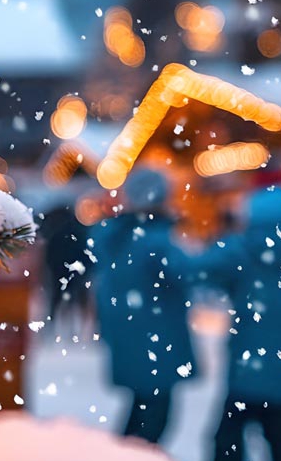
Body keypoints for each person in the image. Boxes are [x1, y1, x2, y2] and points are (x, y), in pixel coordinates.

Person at [191, 184, 281, 461]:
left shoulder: (245, 247)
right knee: (278, 435)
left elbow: (201, 269)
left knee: (227, 439)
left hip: (250, 363)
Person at [91, 169, 196, 445]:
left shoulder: (118, 236)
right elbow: (189, 273)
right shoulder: (155, 239)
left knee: (140, 412)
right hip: (158, 340)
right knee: (153, 421)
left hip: (130, 337)